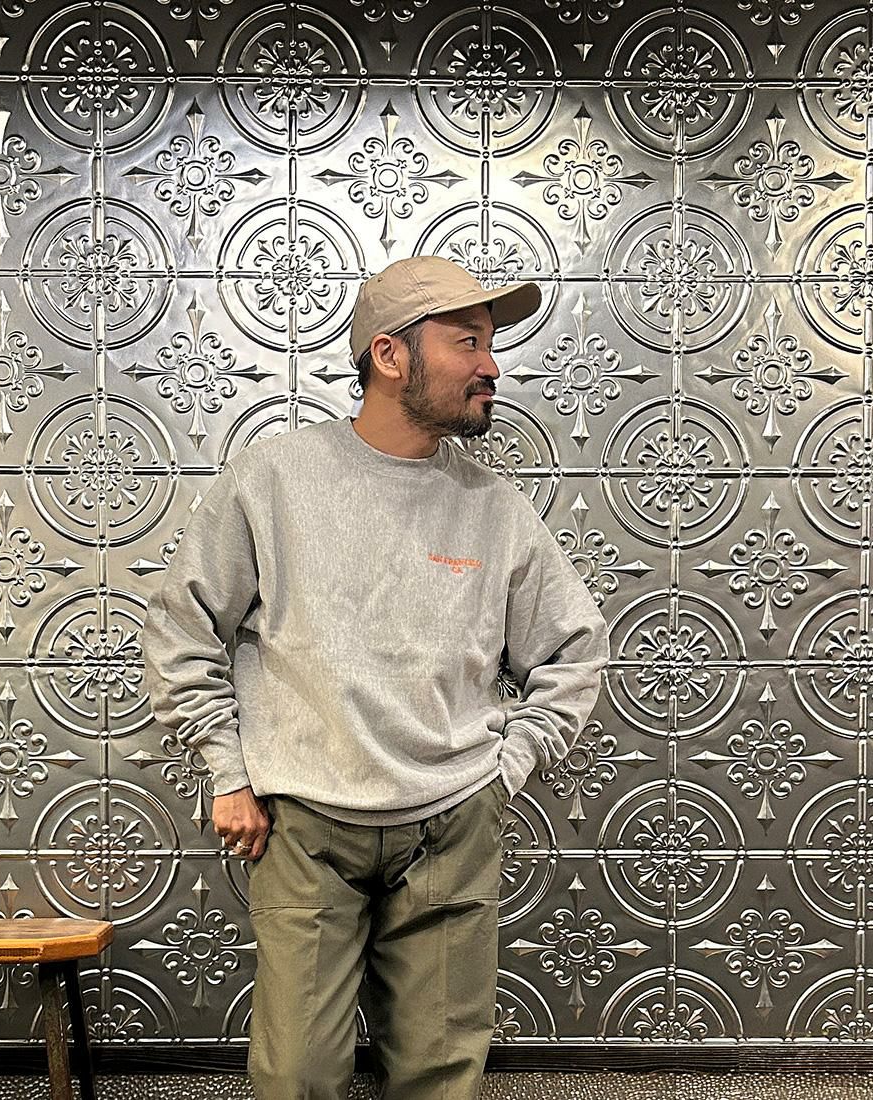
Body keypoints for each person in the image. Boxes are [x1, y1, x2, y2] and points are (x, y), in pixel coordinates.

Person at [143, 255, 610, 1099]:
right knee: (297, 1078)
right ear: (390, 356)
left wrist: (504, 772)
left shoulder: (494, 506)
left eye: (491, 344)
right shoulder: (273, 479)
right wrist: (227, 773)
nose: (491, 366)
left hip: (452, 826)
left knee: (440, 1074)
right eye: (467, 342)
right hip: (305, 826)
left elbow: (574, 650)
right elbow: (184, 628)